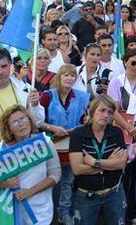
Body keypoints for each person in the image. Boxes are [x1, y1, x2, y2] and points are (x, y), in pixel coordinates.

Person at [0, 106, 61, 225]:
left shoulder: (45, 142)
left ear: (29, 119)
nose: (21, 124)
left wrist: (31, 191)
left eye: (23, 118)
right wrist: (4, 184)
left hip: (39, 211)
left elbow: (55, 174)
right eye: (15, 122)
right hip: (7, 213)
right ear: (9, 128)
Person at [38, 64, 90, 224]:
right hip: (51, 144)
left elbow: (84, 118)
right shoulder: (47, 96)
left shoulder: (82, 97)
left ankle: (64, 211)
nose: (69, 78)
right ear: (59, 77)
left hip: (71, 144)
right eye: (65, 75)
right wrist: (51, 127)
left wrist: (86, 120)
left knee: (68, 180)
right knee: (48, 179)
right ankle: (44, 212)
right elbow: (38, 120)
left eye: (72, 75)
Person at [69, 94, 128, 225]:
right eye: (102, 110)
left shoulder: (116, 132)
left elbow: (121, 164)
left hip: (114, 193)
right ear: (93, 110)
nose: (106, 115)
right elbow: (77, 169)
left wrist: (94, 162)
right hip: (86, 195)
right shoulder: (78, 134)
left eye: (110, 112)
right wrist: (110, 163)